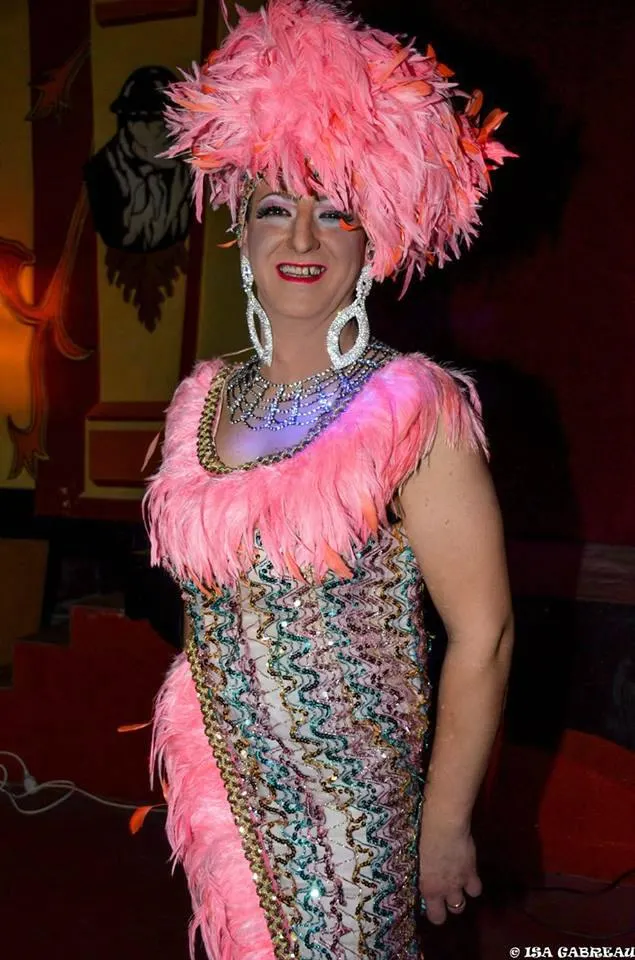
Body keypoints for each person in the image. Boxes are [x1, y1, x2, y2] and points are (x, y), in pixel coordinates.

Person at [143, 1, 516, 957]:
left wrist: (444, 824)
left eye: (334, 210)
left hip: (352, 811)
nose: (302, 236)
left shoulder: (411, 409)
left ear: (369, 242)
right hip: (227, 785)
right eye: (276, 208)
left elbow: (484, 632)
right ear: (243, 235)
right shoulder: (203, 400)